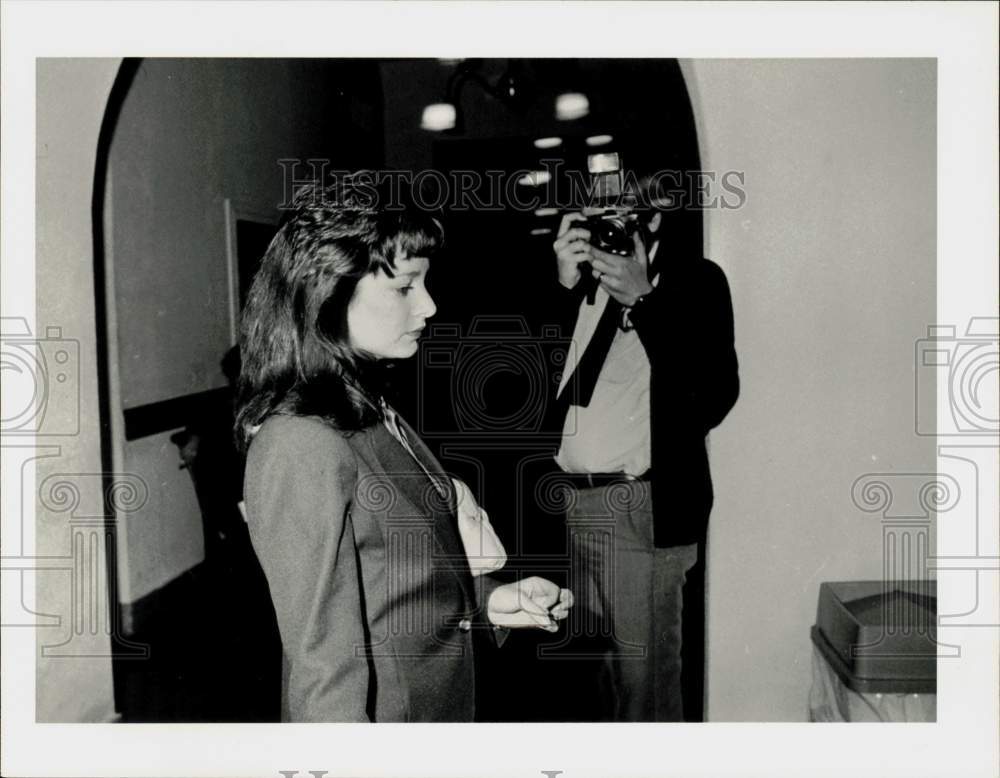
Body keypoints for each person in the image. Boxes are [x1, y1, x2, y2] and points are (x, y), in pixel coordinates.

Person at [235, 177, 572, 722]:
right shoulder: (299, 442)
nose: (431, 305)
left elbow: (391, 585)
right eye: (404, 286)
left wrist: (488, 602)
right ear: (329, 291)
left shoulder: (365, 407)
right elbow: (324, 672)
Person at [549, 174, 739, 722]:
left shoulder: (694, 282)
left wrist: (645, 301)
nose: (607, 228)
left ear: (652, 220)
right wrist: (560, 287)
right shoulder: (582, 289)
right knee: (601, 687)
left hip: (642, 510)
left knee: (644, 693)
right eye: (595, 214)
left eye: (621, 214)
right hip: (578, 505)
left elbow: (712, 398)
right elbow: (537, 389)